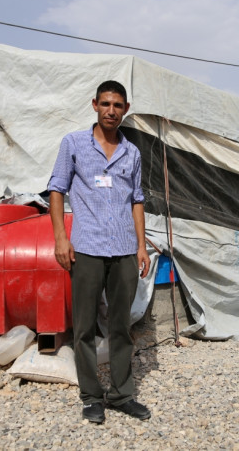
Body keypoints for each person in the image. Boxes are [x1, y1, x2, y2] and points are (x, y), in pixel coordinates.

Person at [47, 80, 152, 424]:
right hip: (87, 248)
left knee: (121, 325)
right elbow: (57, 190)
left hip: (123, 249)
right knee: (85, 326)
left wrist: (141, 246)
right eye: (105, 104)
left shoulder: (132, 153)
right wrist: (61, 238)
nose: (111, 111)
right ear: (94, 104)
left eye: (118, 105)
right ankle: (91, 395)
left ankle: (122, 394)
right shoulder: (74, 144)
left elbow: (137, 201)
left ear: (126, 108)